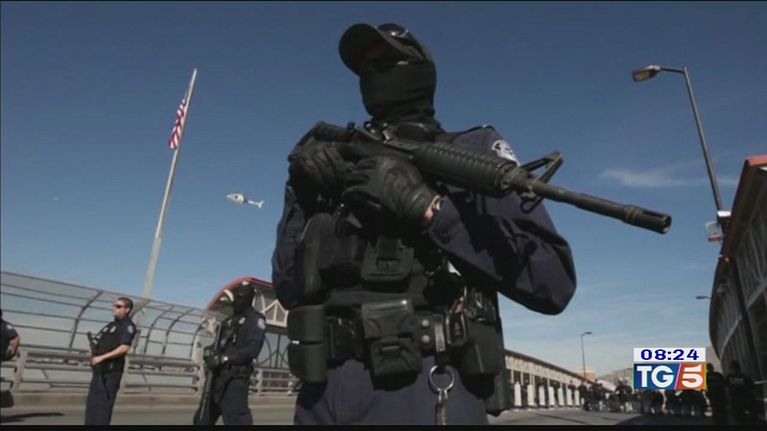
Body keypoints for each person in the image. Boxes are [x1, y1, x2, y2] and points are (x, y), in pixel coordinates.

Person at [272, 22, 577, 425]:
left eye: (385, 64)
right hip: (321, 392)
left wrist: (429, 208)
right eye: (364, 69)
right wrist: (300, 195)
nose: (372, 77)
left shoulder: (470, 154)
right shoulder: (340, 162)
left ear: (420, 73)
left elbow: (553, 282)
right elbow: (289, 288)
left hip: (426, 386)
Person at [194, 281, 267, 425]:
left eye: (240, 296)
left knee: (236, 419)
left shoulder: (255, 319)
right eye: (235, 296)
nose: (236, 301)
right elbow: (220, 345)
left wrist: (224, 358)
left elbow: (252, 349)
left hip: (235, 379)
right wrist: (210, 351)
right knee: (202, 418)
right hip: (216, 378)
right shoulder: (227, 322)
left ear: (248, 298)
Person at [84, 297, 136, 425]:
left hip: (111, 372)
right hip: (99, 369)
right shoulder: (111, 325)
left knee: (103, 405)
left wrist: (102, 357)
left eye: (118, 306)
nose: (114, 308)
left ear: (127, 309)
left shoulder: (128, 326)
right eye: (114, 305)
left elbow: (124, 348)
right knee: (93, 404)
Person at [725, 360, 759, 425]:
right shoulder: (744, 376)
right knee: (752, 415)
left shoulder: (729, 377)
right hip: (747, 398)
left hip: (736, 399)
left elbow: (727, 388)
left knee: (740, 417)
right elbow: (752, 386)